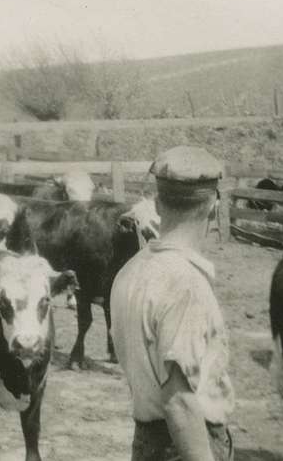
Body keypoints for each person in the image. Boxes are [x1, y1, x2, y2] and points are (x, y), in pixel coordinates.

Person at [110, 145, 235, 461]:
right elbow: (179, 401)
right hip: (186, 444)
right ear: (213, 207)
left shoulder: (130, 270)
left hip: (148, 440)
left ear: (157, 203)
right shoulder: (186, 285)